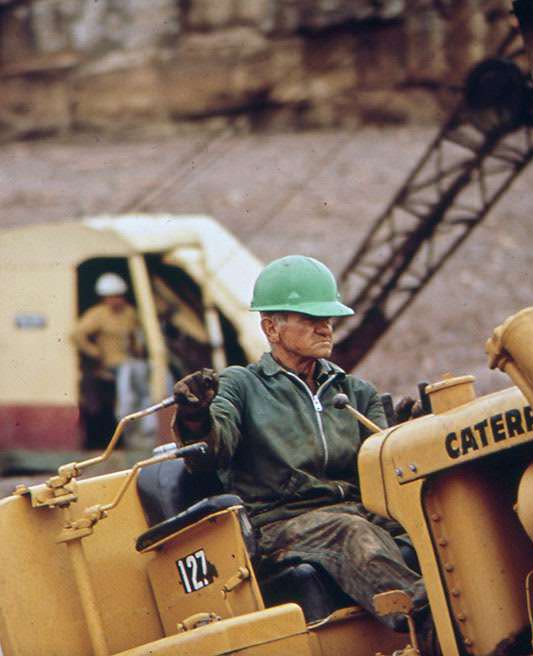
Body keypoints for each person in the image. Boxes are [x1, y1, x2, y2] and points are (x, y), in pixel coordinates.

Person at [171, 255, 430, 641]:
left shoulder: (356, 392)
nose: (325, 327)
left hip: (357, 510)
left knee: (431, 521)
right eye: (310, 319)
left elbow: (383, 460)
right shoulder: (241, 385)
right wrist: (196, 417)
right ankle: (430, 626)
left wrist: (409, 434)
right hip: (278, 523)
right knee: (348, 531)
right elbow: (213, 450)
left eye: (328, 318)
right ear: (271, 328)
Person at [72, 272, 141, 449]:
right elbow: (77, 335)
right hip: (108, 367)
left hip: (127, 365)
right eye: (111, 297)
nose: (115, 301)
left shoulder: (129, 313)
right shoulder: (97, 314)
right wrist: (95, 352)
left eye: (118, 296)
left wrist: (137, 350)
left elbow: (135, 336)